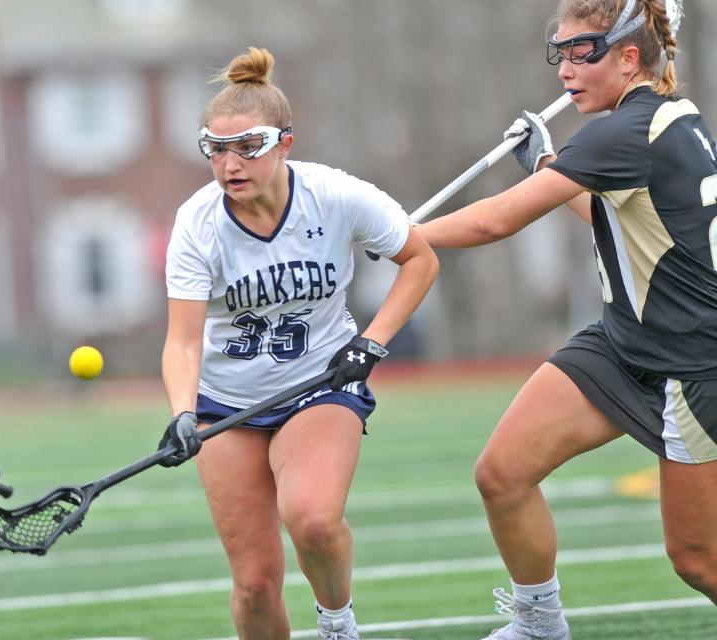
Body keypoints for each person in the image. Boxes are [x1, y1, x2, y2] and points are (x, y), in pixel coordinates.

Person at [417, 1, 717, 638]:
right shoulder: (664, 119)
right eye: (560, 52)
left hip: (687, 370)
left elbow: (497, 219)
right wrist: (549, 165)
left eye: (581, 51)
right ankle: (539, 625)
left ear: (629, 57)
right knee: (501, 474)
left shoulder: (624, 132)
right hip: (619, 345)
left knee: (697, 560)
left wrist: (398, 235)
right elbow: (616, 214)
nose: (564, 69)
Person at [156, 47, 438, 640]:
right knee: (255, 586)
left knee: (311, 520)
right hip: (226, 405)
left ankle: (337, 624)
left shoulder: (335, 196)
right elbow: (182, 342)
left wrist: (371, 343)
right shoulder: (197, 224)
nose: (230, 163)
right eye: (216, 148)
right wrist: (182, 413)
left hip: (319, 386)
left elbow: (419, 259)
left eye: (247, 146)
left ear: (285, 142)